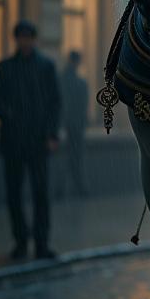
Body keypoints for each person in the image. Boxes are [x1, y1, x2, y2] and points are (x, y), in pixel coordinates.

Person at [0, 21, 61, 259]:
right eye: (21, 37)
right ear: (16, 39)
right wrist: (8, 114)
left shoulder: (45, 67)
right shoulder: (4, 68)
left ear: (34, 39)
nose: (25, 42)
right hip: (13, 141)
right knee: (14, 194)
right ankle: (20, 240)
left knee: (40, 193)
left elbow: (55, 103)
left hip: (38, 141)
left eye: (28, 37)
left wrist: (51, 134)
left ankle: (41, 242)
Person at [60, 50, 89, 196]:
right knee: (75, 158)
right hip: (74, 125)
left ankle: (65, 189)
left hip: (68, 125)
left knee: (70, 158)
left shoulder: (63, 80)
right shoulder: (79, 83)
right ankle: (78, 188)